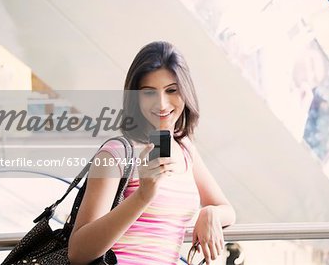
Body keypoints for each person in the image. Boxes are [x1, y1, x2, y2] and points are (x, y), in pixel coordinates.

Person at [68, 41, 236, 265]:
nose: (162, 103)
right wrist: (143, 195)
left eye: (171, 90)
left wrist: (210, 214)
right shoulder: (117, 154)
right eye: (149, 92)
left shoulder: (185, 150)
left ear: (185, 92)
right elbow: (78, 252)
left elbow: (228, 210)